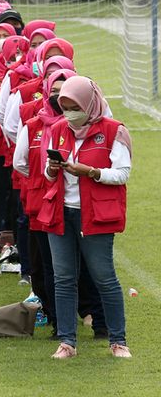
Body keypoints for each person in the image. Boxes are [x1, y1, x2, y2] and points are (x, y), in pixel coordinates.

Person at [40, 76, 132, 359]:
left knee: (105, 278)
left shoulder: (114, 131)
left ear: (89, 104)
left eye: (74, 106)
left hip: (96, 216)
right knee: (64, 278)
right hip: (60, 213)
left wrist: (91, 172)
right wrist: (54, 169)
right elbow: (46, 172)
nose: (69, 113)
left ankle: (118, 341)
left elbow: (122, 173)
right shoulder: (58, 128)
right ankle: (67, 342)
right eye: (64, 106)